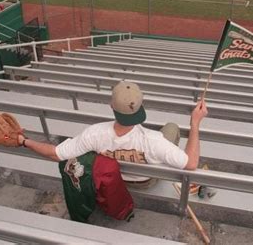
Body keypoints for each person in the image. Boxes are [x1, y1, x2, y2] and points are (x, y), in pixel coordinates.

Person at [17, 81, 208, 220]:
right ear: (141, 107)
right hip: (145, 182)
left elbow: (55, 153)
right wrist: (195, 123)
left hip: (112, 181)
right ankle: (165, 155)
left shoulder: (95, 133)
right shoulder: (153, 140)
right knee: (172, 128)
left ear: (111, 106)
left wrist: (24, 141)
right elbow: (191, 163)